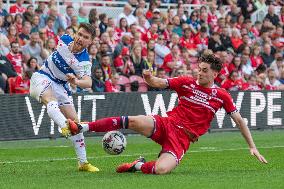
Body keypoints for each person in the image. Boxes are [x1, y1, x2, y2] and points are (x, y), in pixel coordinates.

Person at [67, 53, 268, 175]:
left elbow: (239, 120)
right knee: (134, 120)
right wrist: (148, 77)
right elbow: (158, 83)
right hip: (167, 124)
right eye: (199, 69)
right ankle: (83, 127)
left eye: (204, 71)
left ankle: (137, 166)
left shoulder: (222, 95)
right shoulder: (186, 82)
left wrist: (252, 146)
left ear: (215, 74)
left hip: (182, 140)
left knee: (161, 170)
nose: (199, 73)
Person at [29, 23, 99, 172]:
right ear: (75, 33)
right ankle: (63, 125)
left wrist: (76, 81)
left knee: (76, 123)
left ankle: (83, 163)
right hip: (43, 76)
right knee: (51, 100)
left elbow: (88, 82)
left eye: (85, 37)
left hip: (61, 86)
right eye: (79, 34)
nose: (80, 38)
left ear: (90, 41)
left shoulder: (85, 61)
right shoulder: (65, 39)